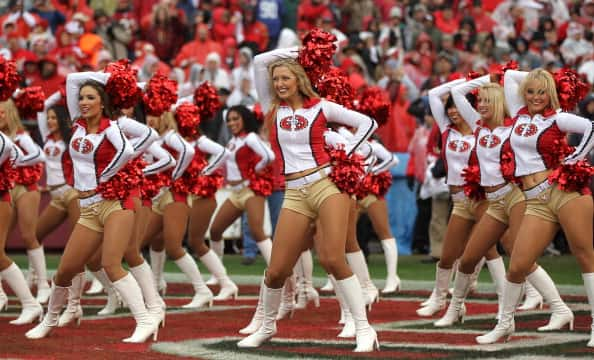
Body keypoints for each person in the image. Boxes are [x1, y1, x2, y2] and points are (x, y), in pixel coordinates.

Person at [237, 46, 378, 352]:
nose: (279, 84)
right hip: (294, 192)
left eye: (285, 77)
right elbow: (261, 61)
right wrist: (296, 52)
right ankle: (267, 325)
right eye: (276, 79)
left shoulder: (322, 107)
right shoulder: (272, 109)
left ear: (299, 80)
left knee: (332, 257)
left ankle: (365, 329)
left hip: (326, 185)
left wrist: (345, 156)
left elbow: (368, 124)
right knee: (276, 269)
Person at [26, 73, 159, 343]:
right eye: (82, 98)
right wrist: (115, 78)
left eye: (91, 98)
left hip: (114, 205)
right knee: (65, 269)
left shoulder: (112, 127)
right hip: (87, 208)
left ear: (103, 102)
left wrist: (105, 177)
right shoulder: (77, 124)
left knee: (111, 262)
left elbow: (126, 152)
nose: (84, 102)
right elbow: (74, 78)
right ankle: (49, 319)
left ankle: (145, 320)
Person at [435, 75, 570, 329]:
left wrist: (509, 80)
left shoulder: (513, 128)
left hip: (515, 197)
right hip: (493, 201)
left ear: (499, 102)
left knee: (522, 259)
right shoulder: (477, 125)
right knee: (467, 259)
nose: (481, 105)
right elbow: (460, 91)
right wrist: (488, 79)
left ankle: (558, 308)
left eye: (487, 100)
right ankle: (455, 309)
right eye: (480, 101)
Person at [477, 69, 594, 345]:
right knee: (518, 264)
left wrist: (574, 159)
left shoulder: (558, 118)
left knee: (585, 257)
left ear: (550, 94)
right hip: (534, 201)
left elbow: (591, 127)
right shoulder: (518, 114)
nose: (536, 97)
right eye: (531, 91)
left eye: (542, 91)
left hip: (565, 194)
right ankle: (505, 324)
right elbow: (510, 77)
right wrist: (541, 75)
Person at [417, 79, 496, 317]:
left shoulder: (481, 129)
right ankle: (441, 297)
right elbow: (433, 93)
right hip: (458, 200)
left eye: (456, 105)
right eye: (448, 106)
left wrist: (485, 81)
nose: (451, 110)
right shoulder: (446, 130)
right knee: (449, 254)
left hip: (481, 197)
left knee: (486, 250)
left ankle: (518, 296)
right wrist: (467, 79)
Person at [208, 105, 276, 268]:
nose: (231, 123)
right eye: (229, 120)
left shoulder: (250, 138)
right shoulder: (232, 141)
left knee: (257, 232)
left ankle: (278, 272)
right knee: (215, 230)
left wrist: (256, 170)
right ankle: (218, 274)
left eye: (235, 119)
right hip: (235, 193)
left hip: (250, 191)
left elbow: (269, 156)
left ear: (244, 119)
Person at [0, 98, 48, 304]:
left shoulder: (20, 136)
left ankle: (43, 284)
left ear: (10, 114)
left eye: (2, 112)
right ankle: (1, 293)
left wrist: (14, 163)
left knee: (29, 235)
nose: (0, 116)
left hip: (26, 188)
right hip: (9, 187)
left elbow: (40, 155)